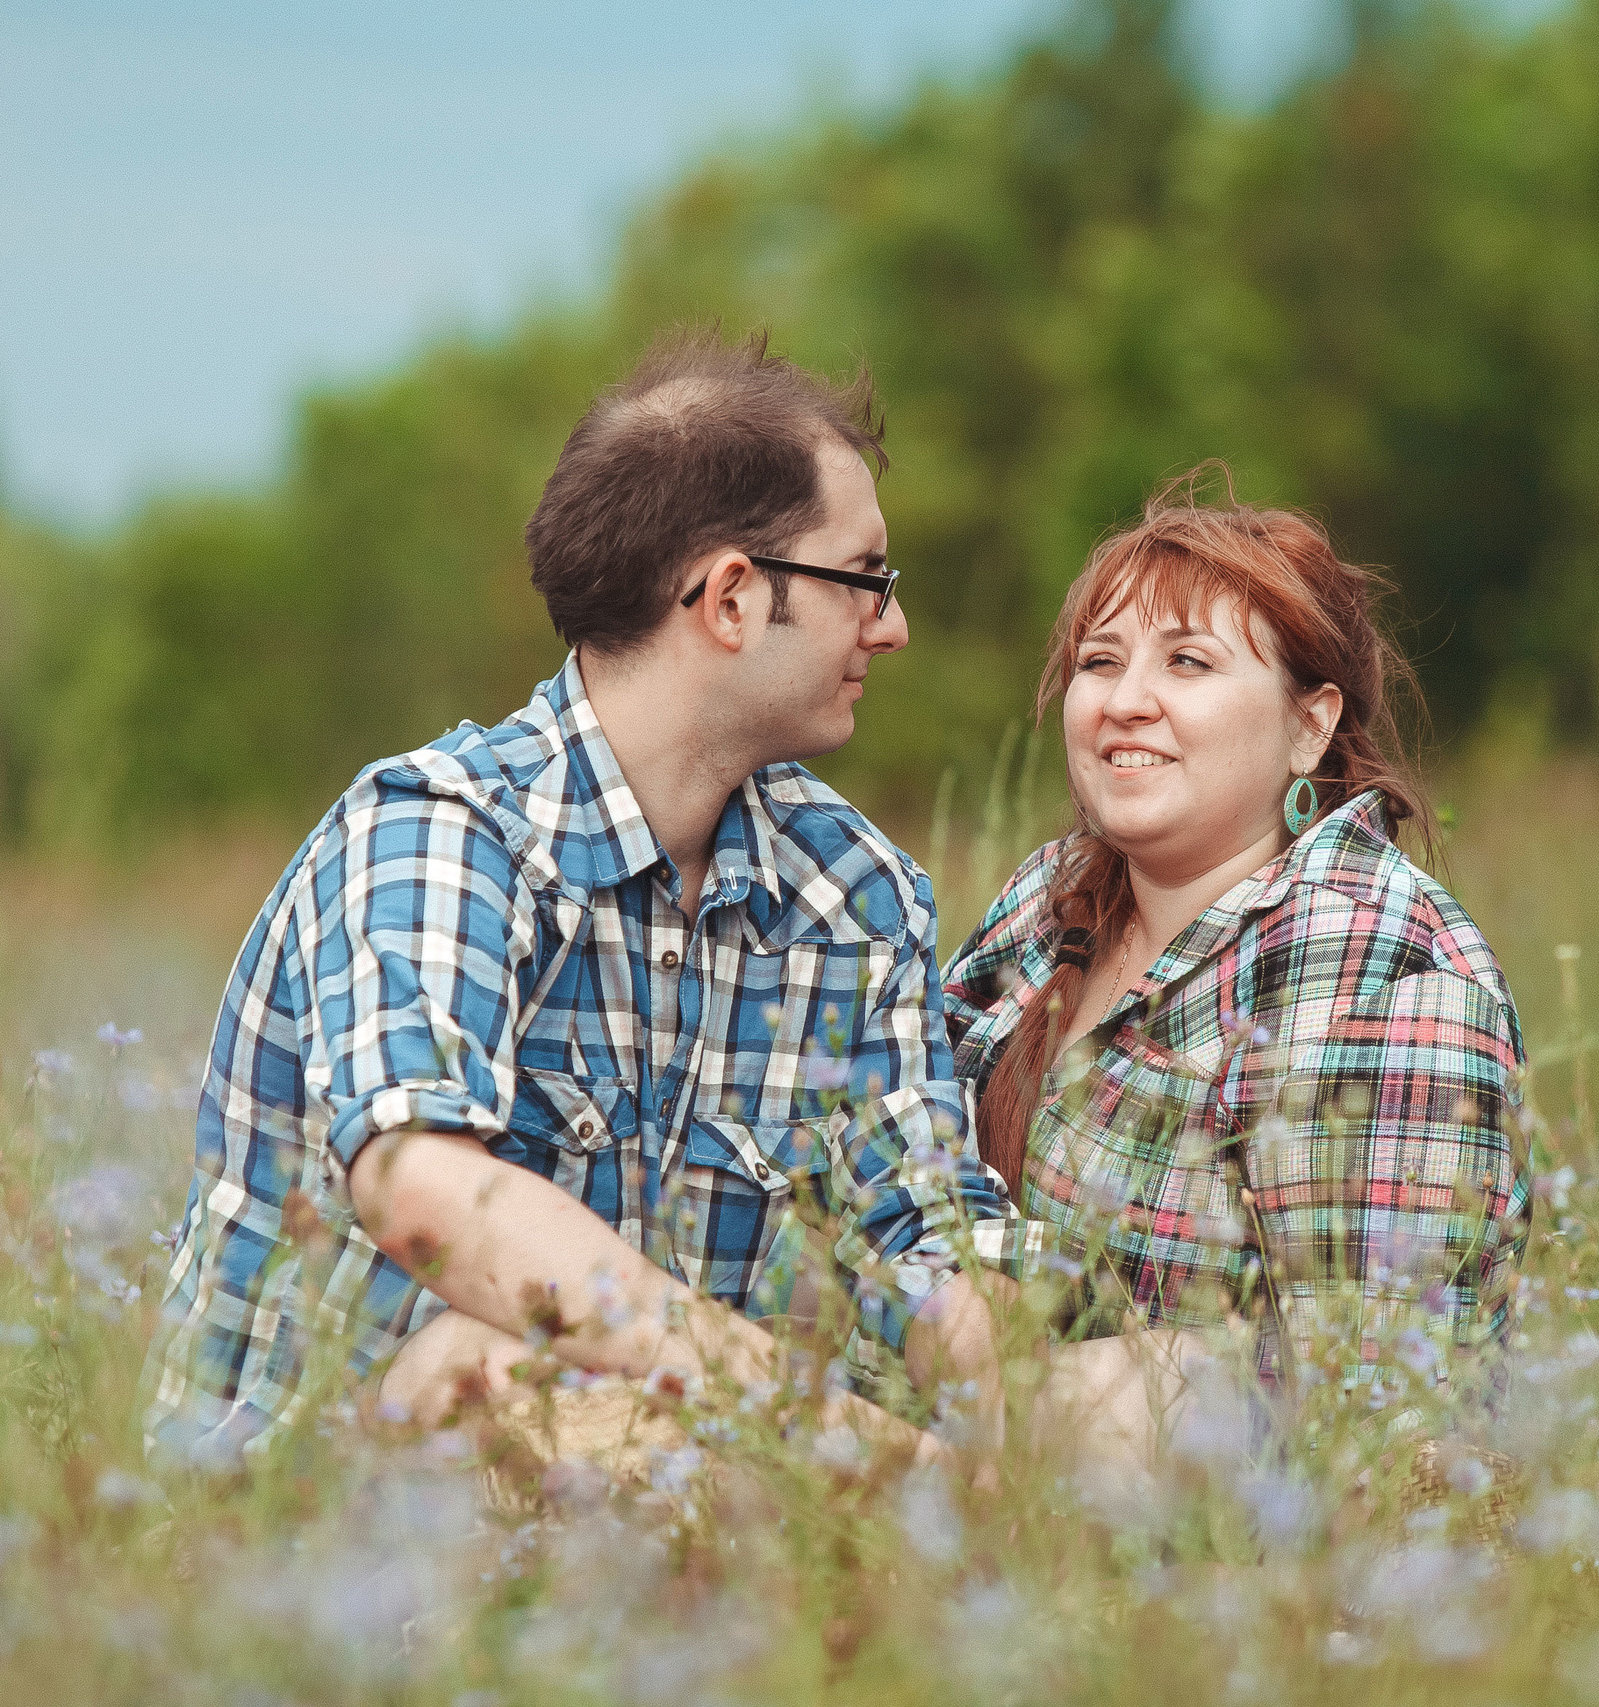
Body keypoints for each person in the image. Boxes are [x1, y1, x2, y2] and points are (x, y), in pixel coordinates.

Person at [145, 331, 1016, 1467]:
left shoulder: (858, 894)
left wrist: (1040, 1413)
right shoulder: (441, 834)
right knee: (493, 1371)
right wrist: (800, 1416)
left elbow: (926, 1242)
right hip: (321, 1517)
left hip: (665, 1508)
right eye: (865, 579)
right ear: (732, 599)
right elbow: (421, 1188)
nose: (892, 626)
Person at [944, 468, 1529, 1469]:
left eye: (1188, 662)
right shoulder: (1048, 898)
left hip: (1198, 1538)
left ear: (1310, 725)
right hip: (974, 1466)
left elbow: (1377, 1423)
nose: (1126, 702)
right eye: (1100, 661)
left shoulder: (1382, 972)